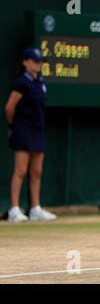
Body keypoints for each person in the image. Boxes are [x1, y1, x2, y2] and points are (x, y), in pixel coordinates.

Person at [4, 48, 57, 222]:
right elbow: (9, 107)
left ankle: (35, 208)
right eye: (34, 60)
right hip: (22, 130)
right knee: (20, 171)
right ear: (25, 62)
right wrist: (13, 125)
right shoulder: (21, 82)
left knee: (37, 171)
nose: (38, 63)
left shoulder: (40, 81)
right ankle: (14, 210)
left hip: (37, 130)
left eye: (40, 60)